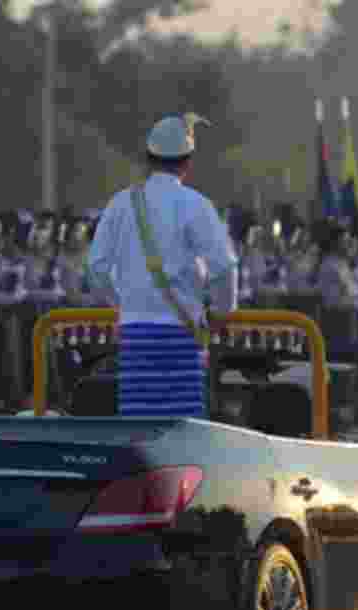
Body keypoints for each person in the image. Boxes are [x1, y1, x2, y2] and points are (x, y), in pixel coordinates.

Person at [87, 113, 238, 418]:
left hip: (135, 335)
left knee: (139, 428)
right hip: (182, 335)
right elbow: (224, 268)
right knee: (184, 432)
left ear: (148, 157)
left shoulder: (120, 203)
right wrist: (221, 314)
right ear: (188, 162)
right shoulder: (197, 205)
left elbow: (96, 269)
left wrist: (124, 304)